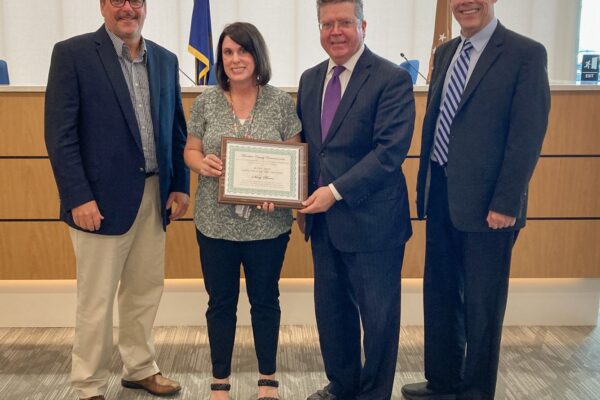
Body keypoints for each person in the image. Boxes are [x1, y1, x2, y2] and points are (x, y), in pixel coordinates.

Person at [401, 1, 550, 399]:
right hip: (442, 195)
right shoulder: (446, 52)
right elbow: (437, 124)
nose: (466, 2)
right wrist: (425, 188)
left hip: (490, 209)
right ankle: (443, 381)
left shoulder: (525, 54)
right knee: (441, 294)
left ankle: (475, 391)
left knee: (482, 308)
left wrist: (506, 202)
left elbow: (527, 136)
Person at [44, 0, 190, 399]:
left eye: (136, 1)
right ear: (102, 6)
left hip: (154, 195)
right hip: (98, 203)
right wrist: (78, 197)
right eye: (117, 0)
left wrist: (180, 185)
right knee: (97, 299)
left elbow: (176, 129)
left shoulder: (164, 59)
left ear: (145, 7)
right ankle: (88, 382)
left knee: (144, 290)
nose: (127, 8)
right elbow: (60, 135)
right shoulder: (72, 54)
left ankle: (140, 367)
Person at [296, 0, 415, 398]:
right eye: (326, 23)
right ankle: (342, 386)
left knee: (379, 321)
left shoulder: (391, 79)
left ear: (363, 25)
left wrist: (333, 192)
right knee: (332, 315)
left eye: (344, 22)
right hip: (324, 225)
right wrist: (287, 193)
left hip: (374, 224)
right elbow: (310, 151)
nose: (335, 31)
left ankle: (373, 393)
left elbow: (388, 153)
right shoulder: (311, 79)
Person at [184, 22, 301, 400]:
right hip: (214, 224)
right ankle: (220, 382)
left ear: (257, 55)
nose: (235, 59)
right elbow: (191, 150)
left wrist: (280, 196)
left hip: (268, 225)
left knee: (265, 301)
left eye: (242, 51)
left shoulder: (281, 102)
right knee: (220, 303)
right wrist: (202, 165)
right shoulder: (207, 100)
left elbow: (295, 164)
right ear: (220, 59)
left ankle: (267, 380)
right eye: (228, 52)